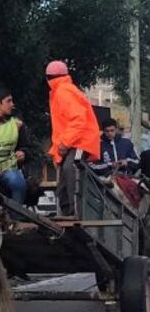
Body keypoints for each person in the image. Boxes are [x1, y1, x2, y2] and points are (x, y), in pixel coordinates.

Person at [46, 60, 100, 216]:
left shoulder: (62, 91)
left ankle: (75, 211)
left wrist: (63, 144)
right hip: (74, 140)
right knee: (64, 172)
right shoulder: (62, 91)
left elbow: (78, 120)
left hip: (81, 141)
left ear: (48, 78)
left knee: (72, 167)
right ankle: (66, 211)